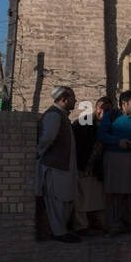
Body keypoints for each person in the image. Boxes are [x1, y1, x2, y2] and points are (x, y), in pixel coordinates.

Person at [99, 90, 131, 235]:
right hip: (114, 159)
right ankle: (115, 226)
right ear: (124, 103)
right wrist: (118, 141)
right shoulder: (111, 116)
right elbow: (102, 135)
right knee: (115, 194)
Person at [36, 85, 80, 243]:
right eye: (73, 98)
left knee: (65, 200)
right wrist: (38, 153)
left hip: (63, 167)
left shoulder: (61, 115)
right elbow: (47, 138)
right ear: (63, 99)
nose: (75, 101)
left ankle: (63, 230)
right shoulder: (54, 116)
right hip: (55, 167)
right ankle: (59, 232)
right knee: (57, 201)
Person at [71, 94, 110, 233]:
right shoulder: (82, 124)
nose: (103, 112)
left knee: (97, 199)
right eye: (101, 109)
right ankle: (82, 226)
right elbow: (76, 147)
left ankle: (98, 224)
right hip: (83, 167)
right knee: (81, 200)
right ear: (95, 108)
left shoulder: (109, 124)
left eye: (107, 110)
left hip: (97, 169)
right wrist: (80, 166)